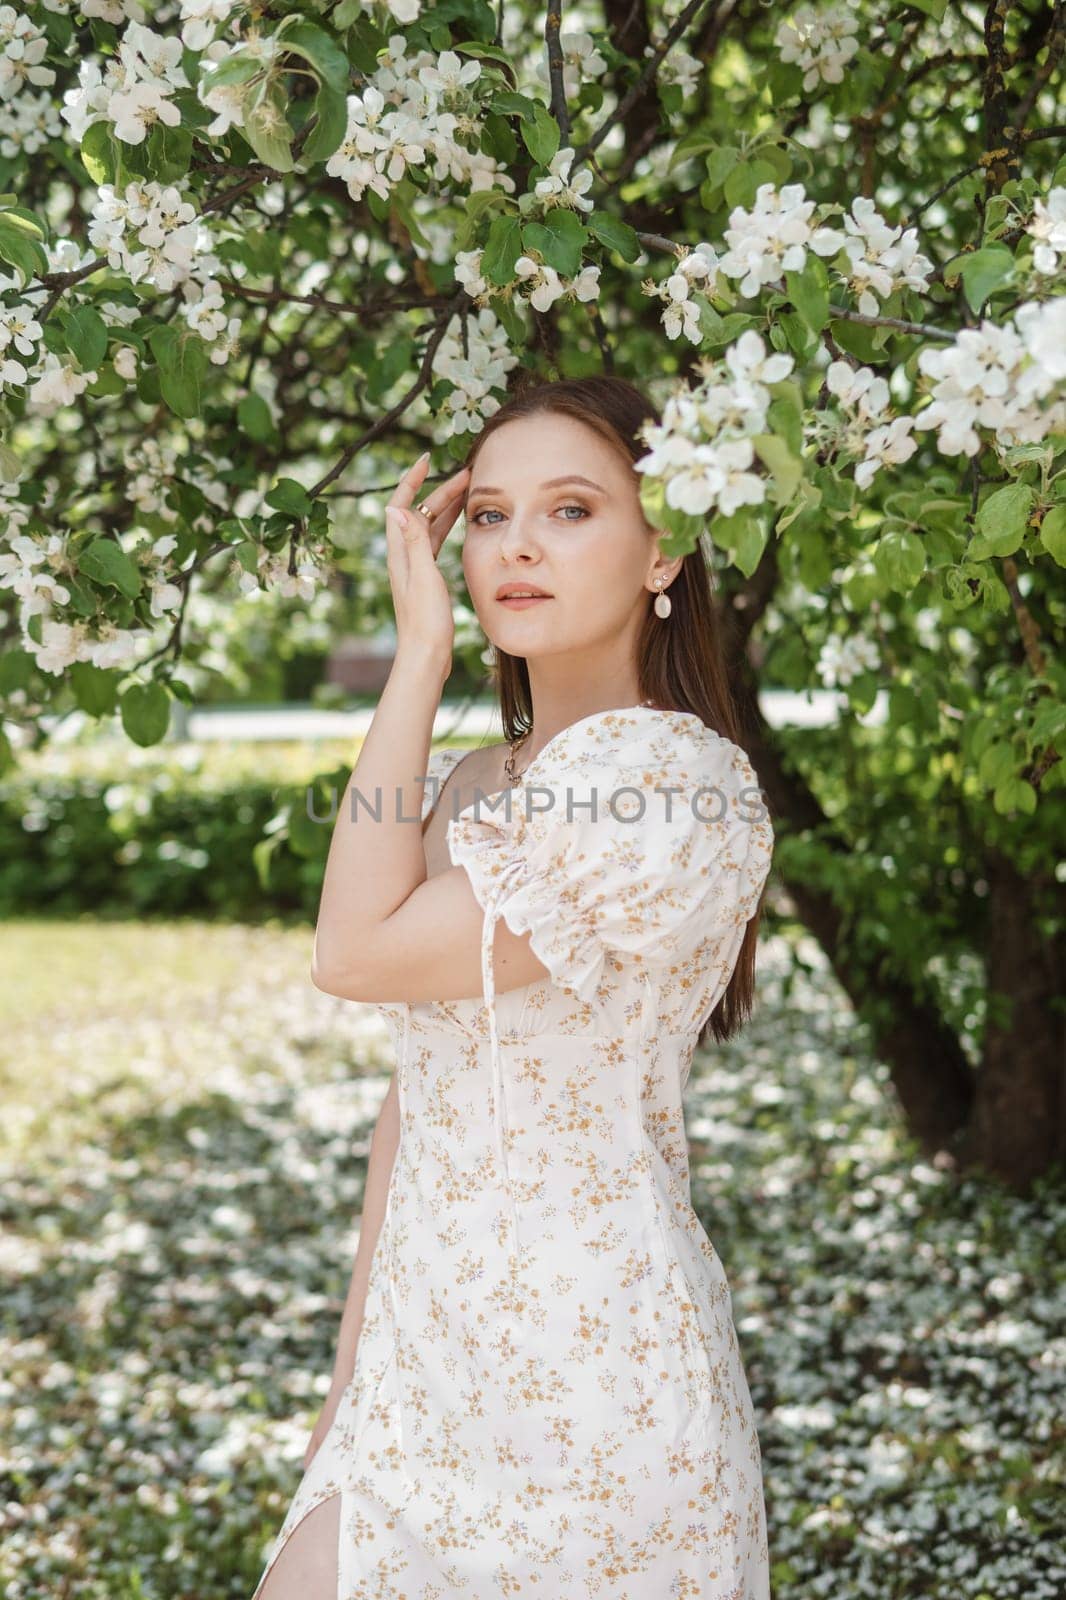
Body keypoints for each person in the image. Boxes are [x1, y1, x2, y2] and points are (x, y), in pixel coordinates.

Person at [250, 375, 775, 1599]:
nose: (517, 545)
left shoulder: (668, 785)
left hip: (596, 1378)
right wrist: (351, 1377)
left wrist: (420, 653)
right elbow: (415, 1090)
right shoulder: (484, 778)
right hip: (420, 1364)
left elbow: (351, 953)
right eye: (487, 515)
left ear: (665, 552)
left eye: (573, 509)